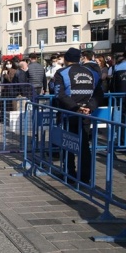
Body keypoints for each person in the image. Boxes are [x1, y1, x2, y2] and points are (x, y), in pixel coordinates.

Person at [53, 48, 103, 184]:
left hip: (68, 113)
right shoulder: (92, 73)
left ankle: (69, 175)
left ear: (66, 59)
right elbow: (99, 94)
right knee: (84, 145)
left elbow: (59, 94)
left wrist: (76, 108)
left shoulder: (62, 72)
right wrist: (88, 107)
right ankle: (85, 177)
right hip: (86, 114)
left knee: (67, 143)